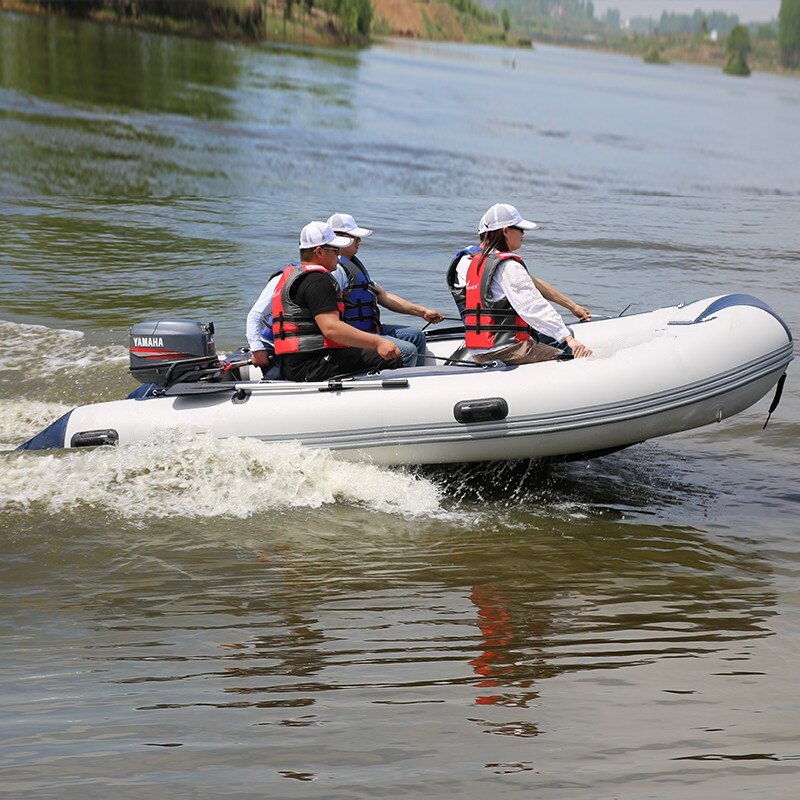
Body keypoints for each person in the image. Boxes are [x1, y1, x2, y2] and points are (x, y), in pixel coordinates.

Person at [446, 203, 592, 363]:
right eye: (520, 229)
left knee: (550, 335)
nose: (524, 234)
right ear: (506, 231)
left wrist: (572, 307)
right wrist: (567, 337)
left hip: (477, 347)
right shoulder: (507, 266)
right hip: (507, 348)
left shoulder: (464, 263)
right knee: (566, 349)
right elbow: (532, 306)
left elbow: (529, 284)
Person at [270, 221, 404, 382]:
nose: (339, 254)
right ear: (319, 251)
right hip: (312, 365)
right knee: (389, 357)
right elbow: (331, 329)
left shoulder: (295, 276)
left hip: (296, 363)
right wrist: (378, 342)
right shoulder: (318, 281)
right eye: (335, 250)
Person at [327, 213, 445, 367]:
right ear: (338, 237)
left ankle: (419, 379)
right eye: (355, 237)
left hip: (371, 329)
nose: (359, 240)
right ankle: (401, 386)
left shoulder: (354, 265)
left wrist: (422, 312)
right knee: (406, 350)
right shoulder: (336, 270)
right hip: (356, 336)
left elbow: (384, 296)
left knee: (416, 336)